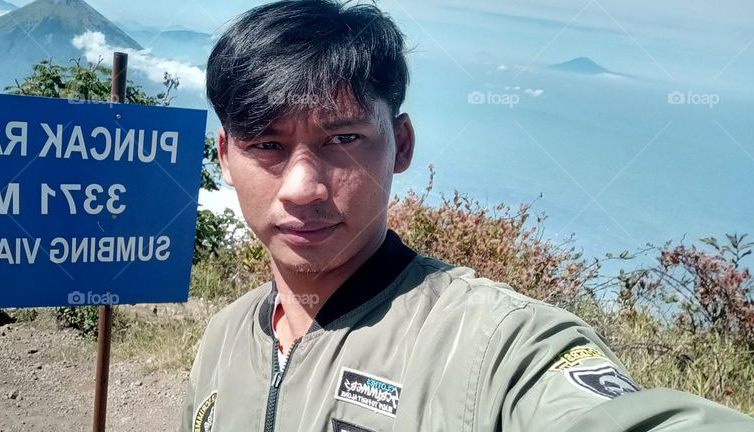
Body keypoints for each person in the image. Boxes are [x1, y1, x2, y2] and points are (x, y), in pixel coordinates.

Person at [179, 1, 754, 431]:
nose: (303, 188)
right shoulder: (226, 337)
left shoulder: (493, 346)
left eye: (344, 138)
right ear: (226, 156)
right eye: (267, 146)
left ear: (401, 145)